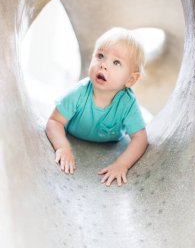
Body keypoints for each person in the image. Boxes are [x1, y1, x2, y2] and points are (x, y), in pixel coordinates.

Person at [46, 27, 148, 187]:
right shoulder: (80, 92)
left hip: (111, 145)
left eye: (116, 62)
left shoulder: (127, 102)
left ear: (130, 80)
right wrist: (63, 147)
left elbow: (140, 138)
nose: (103, 65)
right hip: (74, 136)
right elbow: (54, 121)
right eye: (100, 56)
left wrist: (122, 164)